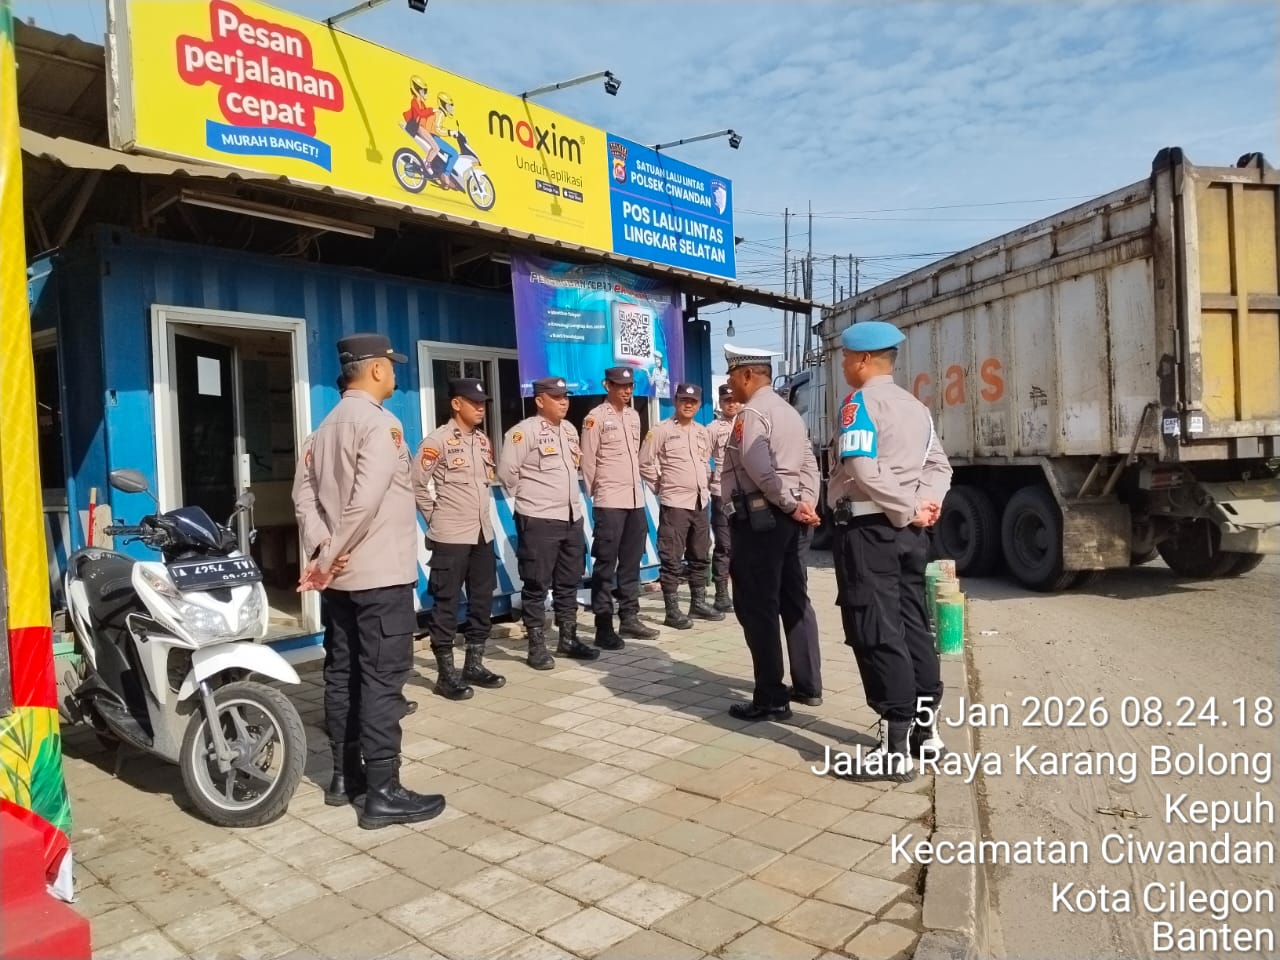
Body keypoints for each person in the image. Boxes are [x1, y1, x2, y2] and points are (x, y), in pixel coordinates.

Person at [292, 333, 444, 830]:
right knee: (382, 679)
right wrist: (330, 555)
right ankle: (383, 792)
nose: (395, 374)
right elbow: (366, 499)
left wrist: (323, 551)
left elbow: (304, 499)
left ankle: (344, 777)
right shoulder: (381, 424)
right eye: (392, 366)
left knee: (342, 672)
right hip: (379, 575)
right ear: (376, 369)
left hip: (341, 580)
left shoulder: (322, 430)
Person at [827, 320, 952, 782]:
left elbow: (861, 466)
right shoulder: (917, 408)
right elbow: (939, 465)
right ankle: (927, 734)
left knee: (877, 629)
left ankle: (894, 750)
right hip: (910, 535)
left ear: (863, 360)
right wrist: (925, 503)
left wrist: (906, 508)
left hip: (869, 530)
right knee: (913, 623)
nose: (843, 365)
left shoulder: (858, 404)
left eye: (845, 358)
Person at [720, 345, 824, 720]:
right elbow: (809, 462)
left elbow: (758, 466)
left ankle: (770, 697)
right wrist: (806, 502)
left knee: (757, 606)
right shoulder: (789, 412)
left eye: (732, 375)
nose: (730, 383)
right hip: (791, 519)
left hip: (761, 521)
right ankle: (808, 686)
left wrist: (789, 504)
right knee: (794, 599)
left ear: (748, 375)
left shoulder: (752, 413)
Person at [497, 376, 598, 668]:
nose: (564, 402)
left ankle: (568, 639)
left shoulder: (568, 430)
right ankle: (536, 646)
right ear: (540, 401)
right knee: (536, 584)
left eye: (565, 397)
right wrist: (532, 499)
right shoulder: (523, 432)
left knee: (569, 582)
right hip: (539, 519)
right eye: (557, 397)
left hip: (571, 517)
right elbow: (506, 474)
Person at [414, 378, 505, 701]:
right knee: (446, 604)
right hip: (450, 536)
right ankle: (445, 674)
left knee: (481, 601)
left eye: (483, 403)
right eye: (474, 403)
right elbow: (416, 485)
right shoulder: (437, 441)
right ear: (456, 404)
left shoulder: (482, 440)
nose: (481, 408)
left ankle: (474, 665)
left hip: (482, 533)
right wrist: (436, 518)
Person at [579, 366, 660, 649]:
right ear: (607, 385)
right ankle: (603, 625)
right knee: (605, 564)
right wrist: (597, 495)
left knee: (631, 561)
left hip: (635, 500)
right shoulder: (595, 418)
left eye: (630, 386)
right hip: (610, 501)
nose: (627, 390)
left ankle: (629, 617)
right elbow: (588, 461)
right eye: (621, 385)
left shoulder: (634, 416)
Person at [639, 382, 723, 629]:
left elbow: (704, 461)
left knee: (700, 554)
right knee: (672, 557)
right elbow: (644, 462)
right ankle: (672, 611)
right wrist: (660, 486)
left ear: (698, 405)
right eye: (684, 400)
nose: (688, 405)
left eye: (693, 402)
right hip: (675, 503)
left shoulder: (702, 432)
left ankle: (698, 603)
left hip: (700, 502)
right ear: (675, 402)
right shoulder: (661, 430)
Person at [707, 382, 741, 613]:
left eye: (735, 400)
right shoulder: (712, 428)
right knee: (724, 544)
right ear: (720, 403)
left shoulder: (747, 423)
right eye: (727, 401)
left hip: (744, 492)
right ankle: (721, 594)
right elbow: (702, 458)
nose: (732, 404)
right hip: (721, 492)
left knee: (744, 544)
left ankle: (743, 590)